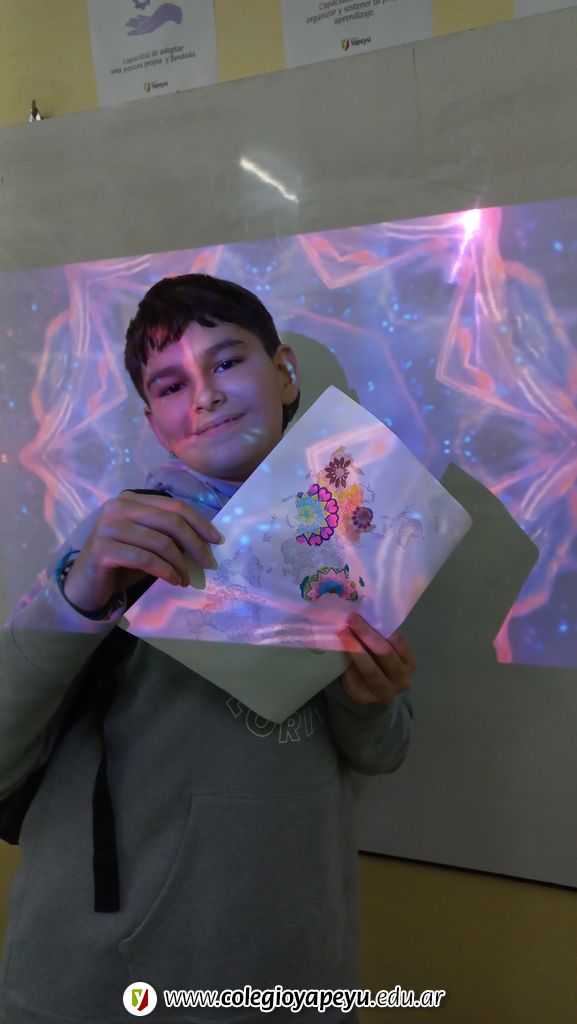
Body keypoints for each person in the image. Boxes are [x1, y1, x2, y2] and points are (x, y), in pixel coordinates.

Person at [0, 274, 416, 1023]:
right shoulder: (123, 539)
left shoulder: (349, 532)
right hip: (107, 982)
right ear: (155, 421)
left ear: (284, 372)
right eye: (171, 384)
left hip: (295, 969)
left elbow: (381, 753)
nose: (207, 395)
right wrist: (79, 595)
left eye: (226, 361)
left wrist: (370, 701)